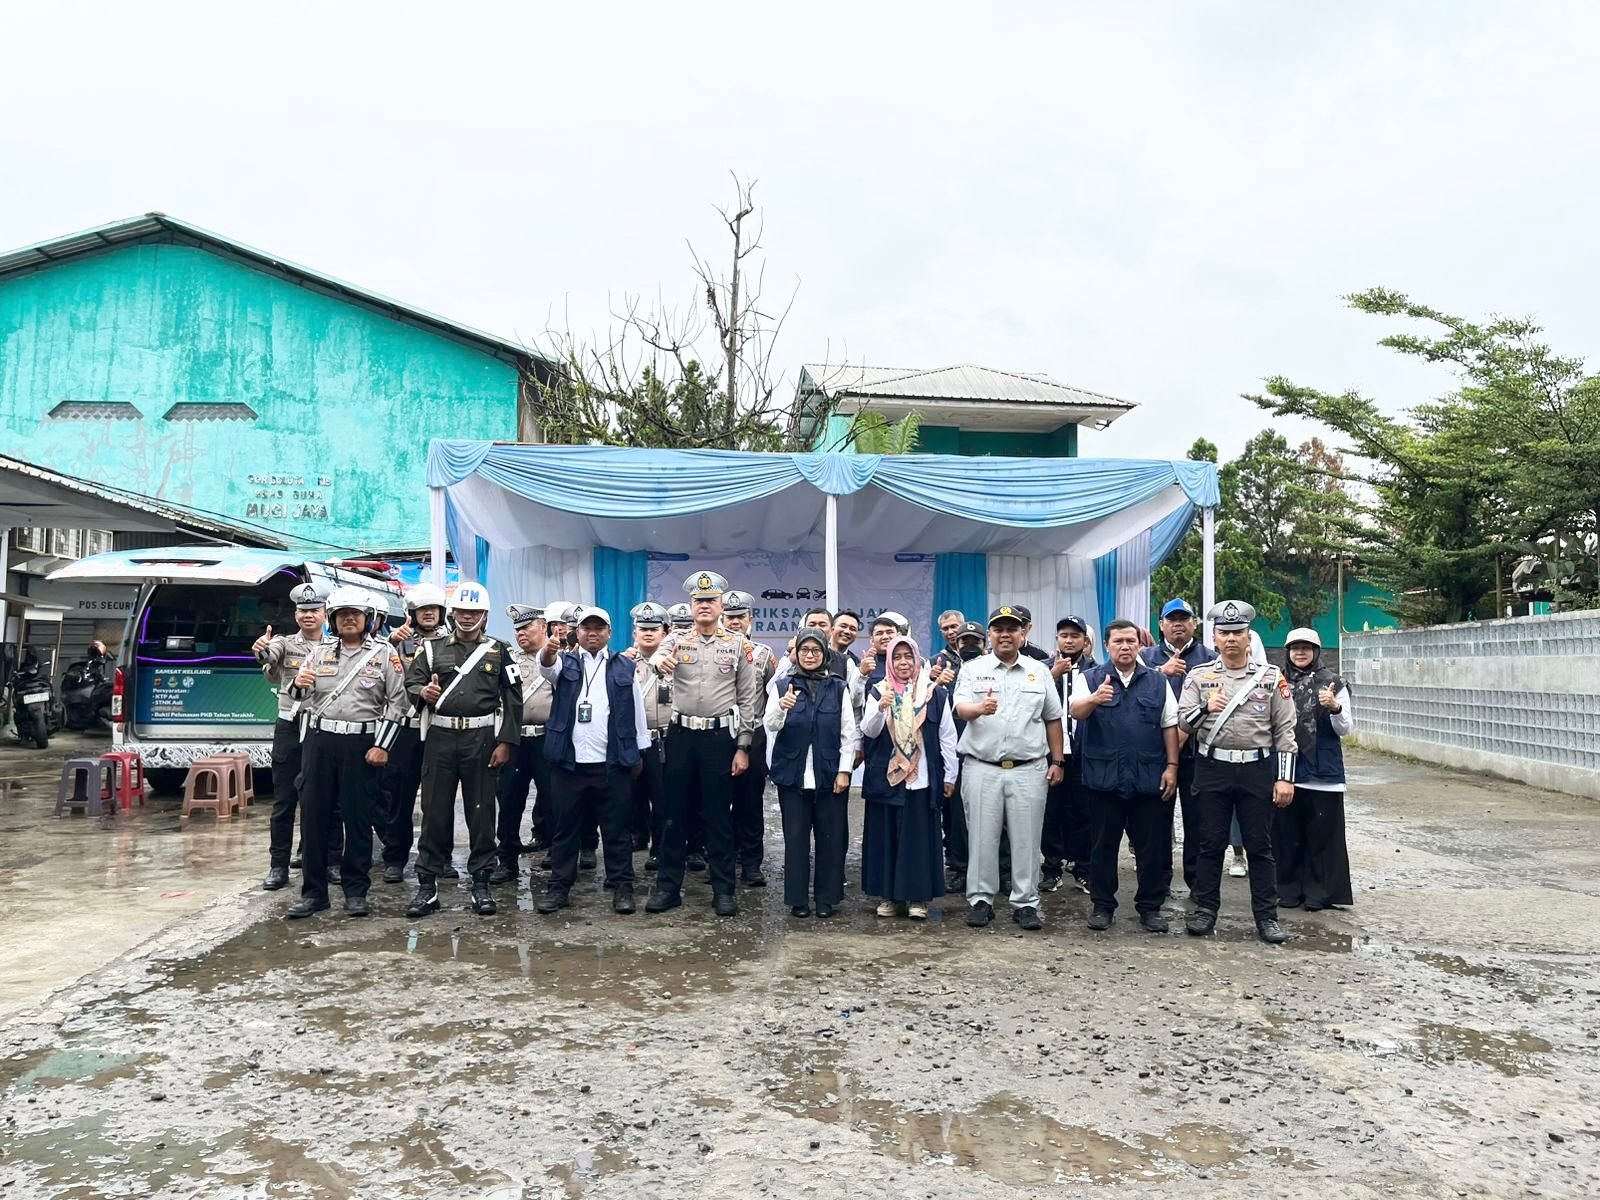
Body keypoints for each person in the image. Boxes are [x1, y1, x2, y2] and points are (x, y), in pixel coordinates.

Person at [1177, 600, 1297, 944]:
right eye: (1224, 633)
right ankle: (1204, 911)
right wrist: (1204, 708)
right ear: (1214, 638)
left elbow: (1285, 730)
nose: (1231, 639)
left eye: (1238, 633)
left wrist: (1284, 777)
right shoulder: (1199, 677)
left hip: (1256, 769)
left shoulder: (1271, 677)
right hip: (1212, 767)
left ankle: (1267, 917)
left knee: (1260, 846)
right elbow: (1181, 722)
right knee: (1210, 844)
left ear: (1248, 637)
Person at [284, 587, 407, 919]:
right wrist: (299, 682)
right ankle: (313, 894)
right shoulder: (319, 652)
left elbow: (399, 703)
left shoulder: (384, 654)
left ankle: (356, 891)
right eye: (341, 615)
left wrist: (383, 745)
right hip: (319, 741)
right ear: (333, 620)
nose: (348, 619)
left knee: (357, 819)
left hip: (362, 745)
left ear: (367, 620)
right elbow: (298, 695)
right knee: (313, 818)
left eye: (355, 614)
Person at [645, 570, 762, 917]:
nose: (705, 606)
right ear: (691, 605)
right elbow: (655, 658)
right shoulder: (677, 640)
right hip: (680, 736)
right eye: (699, 601)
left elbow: (747, 698)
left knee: (718, 817)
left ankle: (723, 891)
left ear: (721, 604)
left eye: (711, 601)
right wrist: (658, 662)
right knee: (673, 816)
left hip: (718, 740)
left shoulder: (739, 644)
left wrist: (743, 746)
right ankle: (668, 888)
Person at [404, 583, 521, 919]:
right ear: (452, 614)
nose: (467, 618)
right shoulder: (430, 648)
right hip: (440, 736)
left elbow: (513, 699)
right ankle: (427, 887)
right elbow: (412, 682)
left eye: (475, 613)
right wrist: (421, 692)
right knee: (434, 812)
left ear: (485, 616)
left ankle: (481, 883)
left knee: (482, 813)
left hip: (481, 739)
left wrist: (506, 742)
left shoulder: (499, 651)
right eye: (462, 612)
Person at [951, 605, 1066, 931]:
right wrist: (980, 707)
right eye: (998, 629)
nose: (1005, 634)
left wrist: (1058, 761)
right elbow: (960, 708)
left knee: (1027, 839)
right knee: (982, 838)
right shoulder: (974, 669)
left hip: (1028, 768)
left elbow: (1053, 718)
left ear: (1023, 633)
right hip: (982, 767)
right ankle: (981, 900)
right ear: (990, 635)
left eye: (1011, 629)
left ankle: (1025, 903)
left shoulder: (1039, 671)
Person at [535, 607, 651, 915]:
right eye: (587, 628)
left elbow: (637, 710)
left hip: (611, 764)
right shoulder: (565, 662)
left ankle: (622, 888)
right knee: (565, 830)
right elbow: (546, 668)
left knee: (617, 831)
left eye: (599, 628)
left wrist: (640, 751)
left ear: (609, 633)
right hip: (569, 764)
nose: (593, 633)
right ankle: (559, 888)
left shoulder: (625, 666)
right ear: (578, 632)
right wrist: (547, 651)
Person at [1070, 619, 1179, 933]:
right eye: (1118, 641)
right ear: (1107, 645)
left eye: (1131, 641)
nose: (1125, 646)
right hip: (1103, 778)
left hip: (1148, 777)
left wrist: (1172, 767)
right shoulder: (1089, 678)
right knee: (1103, 846)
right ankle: (1103, 906)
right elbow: (1076, 710)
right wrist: (1094, 699)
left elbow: (1169, 725)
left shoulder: (1157, 682)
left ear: (1140, 644)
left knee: (1152, 847)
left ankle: (1150, 908)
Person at [861, 636, 958, 920]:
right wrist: (881, 708)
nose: (903, 662)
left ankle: (918, 899)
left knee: (918, 840)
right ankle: (890, 898)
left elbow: (947, 738)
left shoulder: (934, 693)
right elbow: (868, 731)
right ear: (889, 661)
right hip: (887, 779)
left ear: (918, 660)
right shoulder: (879, 690)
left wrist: (950, 775)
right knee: (887, 837)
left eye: (909, 657)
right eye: (897, 657)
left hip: (922, 778)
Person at [765, 630, 858, 918]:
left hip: (829, 775)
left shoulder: (837, 687)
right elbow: (769, 724)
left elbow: (848, 733)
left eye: (815, 650)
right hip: (793, 776)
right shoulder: (782, 686)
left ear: (824, 654)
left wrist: (844, 772)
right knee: (796, 839)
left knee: (830, 838)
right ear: (796, 654)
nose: (809, 655)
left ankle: (826, 899)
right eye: (804, 649)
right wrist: (782, 708)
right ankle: (798, 900)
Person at [254, 582, 334, 891]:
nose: (308, 615)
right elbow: (268, 657)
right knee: (284, 800)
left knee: (325, 799)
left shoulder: (336, 646)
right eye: (303, 610)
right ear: (295, 613)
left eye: (314, 610)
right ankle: (278, 866)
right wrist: (262, 650)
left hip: (324, 727)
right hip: (290, 726)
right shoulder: (285, 643)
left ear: (326, 613)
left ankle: (325, 860)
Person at [1139, 598, 1217, 901]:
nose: (1178, 624)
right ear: (1161, 625)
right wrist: (1160, 671)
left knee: (1199, 821)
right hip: (1157, 754)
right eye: (1171, 619)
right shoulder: (1146, 657)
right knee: (1157, 823)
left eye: (1184, 619)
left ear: (1194, 623)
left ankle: (1198, 884)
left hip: (1199, 755)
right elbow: (1133, 687)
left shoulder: (1210, 658)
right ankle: (1157, 885)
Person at [1275, 628, 1355, 912]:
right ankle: (1287, 890)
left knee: (1323, 838)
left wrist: (1334, 708)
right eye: (1295, 648)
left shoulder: (1333, 683)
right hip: (1287, 771)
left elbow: (1345, 729)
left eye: (1306, 648)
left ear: (1316, 652)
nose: (1300, 653)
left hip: (1323, 772)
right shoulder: (1277, 681)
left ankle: (1318, 893)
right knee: (1286, 836)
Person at [377, 582, 449, 884]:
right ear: (412, 613)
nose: (428, 614)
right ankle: (395, 858)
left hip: (439, 730)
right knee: (399, 798)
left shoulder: (454, 643)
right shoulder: (395, 643)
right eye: (423, 609)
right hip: (405, 730)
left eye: (433, 609)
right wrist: (390, 641)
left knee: (438, 801)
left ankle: (440, 858)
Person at [491, 604, 554, 887]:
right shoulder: (508, 660)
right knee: (509, 802)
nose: (521, 634)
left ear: (543, 626)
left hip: (547, 739)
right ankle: (507, 861)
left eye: (526, 627)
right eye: (517, 629)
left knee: (555, 802)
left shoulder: (559, 661)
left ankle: (558, 856)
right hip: (515, 740)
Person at [721, 589, 777, 888]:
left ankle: (752, 863)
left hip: (752, 734)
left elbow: (773, 695)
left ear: (750, 619)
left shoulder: (765, 655)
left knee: (750, 803)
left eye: (739, 617)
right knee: (718, 802)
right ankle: (723, 861)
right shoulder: (711, 649)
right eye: (729, 617)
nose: (734, 623)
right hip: (718, 735)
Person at [1041, 615, 1096, 895]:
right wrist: (1053, 675)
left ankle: (1083, 868)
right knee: (1051, 813)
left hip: (1085, 754)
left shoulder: (1096, 672)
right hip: (1052, 753)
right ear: (1057, 640)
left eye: (1075, 635)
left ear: (1086, 641)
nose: (1069, 640)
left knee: (1083, 813)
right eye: (1064, 635)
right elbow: (1030, 699)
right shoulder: (1040, 669)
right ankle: (1051, 869)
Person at [625, 602, 674, 868]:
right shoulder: (623, 662)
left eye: (653, 629)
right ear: (634, 633)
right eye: (642, 629)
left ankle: (660, 846)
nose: (647, 633)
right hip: (634, 738)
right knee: (635, 792)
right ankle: (637, 836)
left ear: (665, 633)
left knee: (662, 795)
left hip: (664, 738)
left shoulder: (675, 662)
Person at [939, 620, 986, 887]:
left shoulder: (993, 670)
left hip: (987, 753)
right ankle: (959, 868)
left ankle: (1000, 871)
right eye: (964, 642)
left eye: (975, 642)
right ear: (956, 645)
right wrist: (937, 682)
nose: (969, 647)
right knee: (956, 817)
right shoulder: (944, 672)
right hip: (955, 754)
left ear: (984, 644)